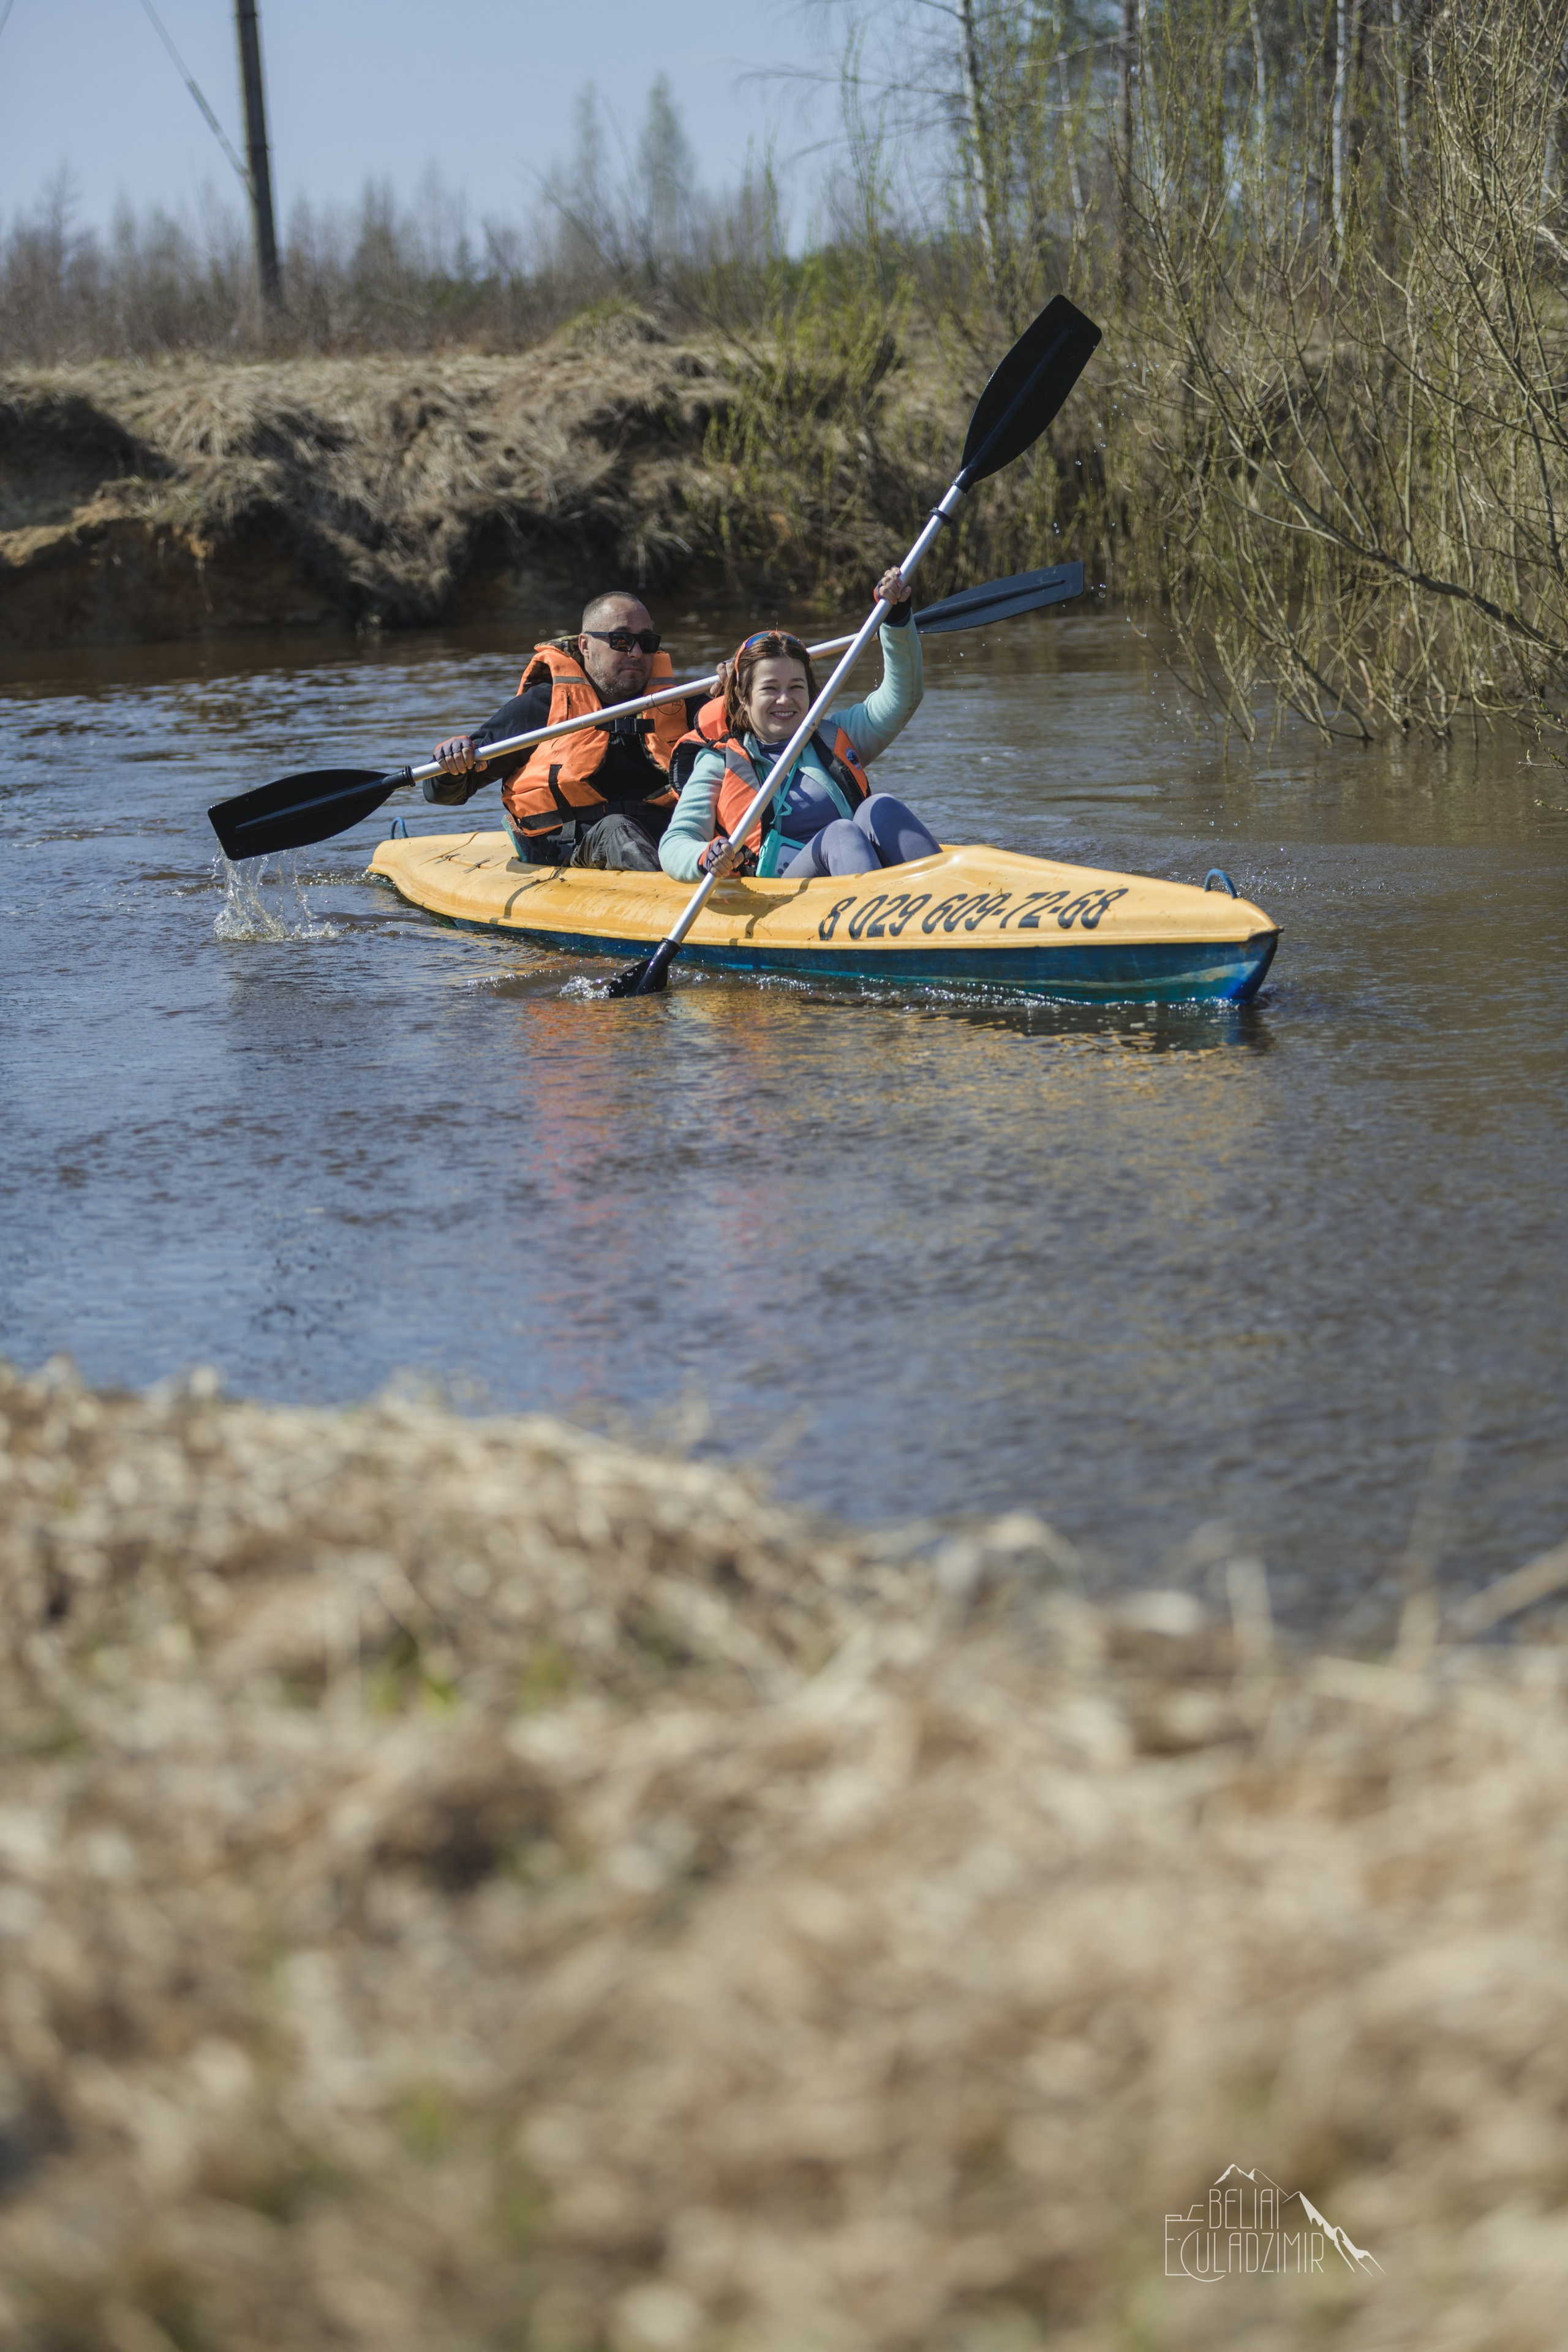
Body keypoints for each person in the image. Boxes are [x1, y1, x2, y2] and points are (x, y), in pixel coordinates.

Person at [658, 567, 940, 884]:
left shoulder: (833, 737)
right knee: (841, 834)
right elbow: (675, 842)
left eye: (796, 687)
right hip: (778, 892)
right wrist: (705, 856)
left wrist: (897, 619)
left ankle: (946, 898)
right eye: (770, 688)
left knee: (880, 807)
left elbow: (904, 696)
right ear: (742, 695)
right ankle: (877, 922)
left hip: (851, 873)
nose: (784, 700)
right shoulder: (718, 762)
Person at [426, 592, 710, 870]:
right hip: (571, 850)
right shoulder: (540, 708)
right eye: (621, 640)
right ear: (585, 645)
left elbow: (744, 723)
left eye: (646, 642)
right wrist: (452, 763)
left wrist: (736, 686)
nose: (636, 653)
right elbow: (444, 794)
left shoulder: (680, 703)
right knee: (617, 830)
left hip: (668, 842)